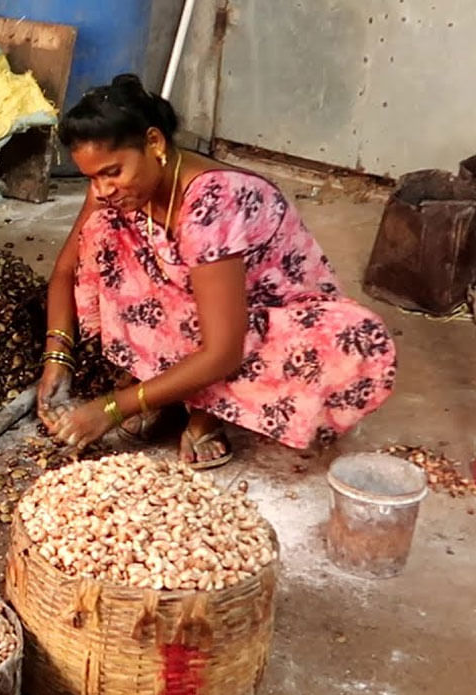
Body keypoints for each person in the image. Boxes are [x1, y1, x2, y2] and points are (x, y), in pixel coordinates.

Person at [37, 75, 396, 469]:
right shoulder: (116, 188)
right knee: (103, 232)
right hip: (199, 306)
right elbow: (67, 269)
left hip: (263, 323)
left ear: (154, 144)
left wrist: (111, 408)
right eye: (92, 177)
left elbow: (224, 351)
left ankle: (205, 411)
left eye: (112, 172)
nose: (103, 188)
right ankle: (163, 386)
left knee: (340, 344)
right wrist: (58, 359)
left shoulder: (212, 204)